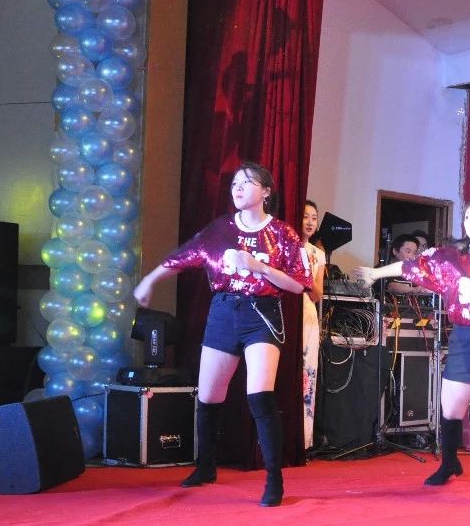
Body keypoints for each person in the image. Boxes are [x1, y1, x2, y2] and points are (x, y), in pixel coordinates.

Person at [134, 161, 311, 507]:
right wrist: (149, 280)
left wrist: (259, 266)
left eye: (247, 182)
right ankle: (205, 467)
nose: (238, 188)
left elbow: (298, 284)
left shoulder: (282, 233)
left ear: (266, 192)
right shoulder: (219, 229)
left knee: (259, 396)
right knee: (209, 397)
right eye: (234, 184)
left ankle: (274, 479)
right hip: (223, 312)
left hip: (262, 314)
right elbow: (182, 256)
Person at [356, 199, 470, 509]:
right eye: (468, 214)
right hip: (462, 339)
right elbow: (410, 267)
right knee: (450, 411)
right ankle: (450, 463)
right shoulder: (452, 259)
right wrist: (374, 273)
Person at [300, 199, 327, 450]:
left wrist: (307, 271)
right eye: (305, 216)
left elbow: (317, 294)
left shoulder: (318, 254)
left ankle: (303, 440)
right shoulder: (283, 246)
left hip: (308, 313)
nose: (309, 222)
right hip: (284, 311)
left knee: (306, 374)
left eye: (314, 217)